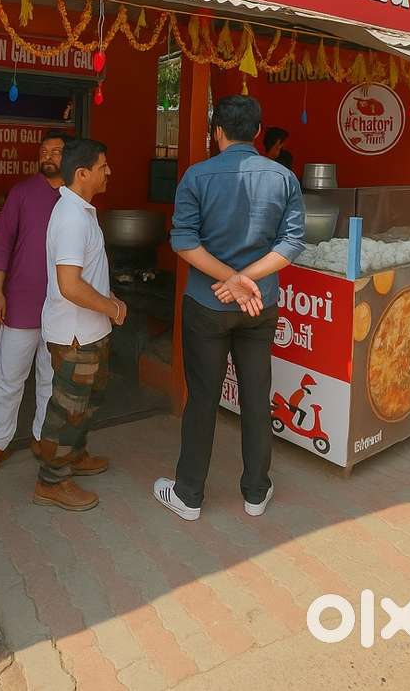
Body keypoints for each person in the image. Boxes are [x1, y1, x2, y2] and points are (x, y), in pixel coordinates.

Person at [154, 95, 304, 522]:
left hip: (207, 303)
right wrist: (247, 280)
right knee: (257, 397)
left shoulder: (196, 176)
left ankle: (188, 495)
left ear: (216, 131)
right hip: (260, 305)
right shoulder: (284, 178)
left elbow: (183, 241)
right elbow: (291, 243)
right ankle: (256, 492)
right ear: (257, 132)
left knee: (202, 397)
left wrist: (231, 280)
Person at [0, 130, 70, 478]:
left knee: (51, 376)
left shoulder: (75, 197)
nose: (48, 155)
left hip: (61, 305)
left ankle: (42, 438)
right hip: (21, 301)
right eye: (44, 150)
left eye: (56, 151)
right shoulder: (22, 193)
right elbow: (2, 243)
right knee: (9, 376)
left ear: (69, 158)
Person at [33, 138, 127, 512]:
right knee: (67, 411)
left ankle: (76, 455)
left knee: (86, 404)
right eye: (103, 166)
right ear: (82, 173)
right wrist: (113, 308)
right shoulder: (72, 218)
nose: (109, 172)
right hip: (74, 334)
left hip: (90, 331)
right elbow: (69, 285)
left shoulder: (82, 210)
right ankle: (51, 482)